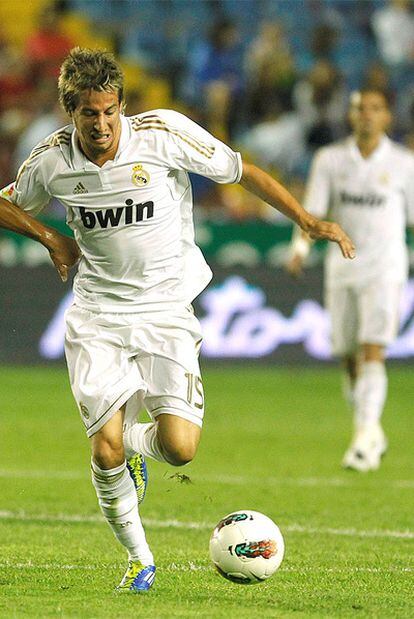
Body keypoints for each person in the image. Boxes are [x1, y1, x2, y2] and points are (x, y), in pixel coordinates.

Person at [0, 47, 354, 593]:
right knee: (103, 446)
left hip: (167, 309)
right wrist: (51, 236)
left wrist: (306, 220)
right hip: (97, 313)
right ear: (69, 112)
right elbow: (5, 202)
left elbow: (241, 171)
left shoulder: (163, 134)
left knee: (180, 448)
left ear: (121, 105)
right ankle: (140, 560)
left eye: (109, 111)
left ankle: (139, 447)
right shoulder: (50, 160)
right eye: (88, 114)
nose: (101, 124)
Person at [287, 88, 414, 472]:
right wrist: (301, 249)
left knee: (373, 348)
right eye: (360, 108)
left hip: (385, 268)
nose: (367, 116)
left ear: (387, 117)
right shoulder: (330, 159)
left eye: (376, 109)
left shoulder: (405, 163)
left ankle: (362, 439)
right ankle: (371, 430)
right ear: (350, 115)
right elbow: (314, 210)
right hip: (342, 268)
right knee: (347, 356)